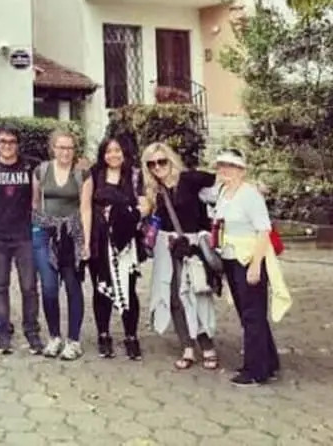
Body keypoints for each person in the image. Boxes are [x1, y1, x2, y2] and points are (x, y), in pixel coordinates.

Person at [141, 141, 221, 371]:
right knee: (174, 297)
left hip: (192, 244)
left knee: (197, 293)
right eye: (152, 164)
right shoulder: (153, 190)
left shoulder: (189, 179)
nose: (158, 167)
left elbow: (221, 182)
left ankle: (206, 344)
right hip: (167, 246)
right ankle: (187, 345)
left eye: (162, 161)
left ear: (171, 160)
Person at [213, 148, 290, 386]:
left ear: (242, 170)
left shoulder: (250, 196)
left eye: (231, 166)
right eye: (222, 165)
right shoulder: (223, 192)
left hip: (248, 257)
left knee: (252, 314)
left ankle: (255, 370)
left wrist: (256, 265)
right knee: (247, 312)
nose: (225, 170)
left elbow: (264, 230)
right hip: (230, 257)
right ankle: (268, 361)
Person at [0, 124, 42, 355]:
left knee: (29, 287)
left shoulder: (30, 166)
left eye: (12, 142)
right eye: (3, 141)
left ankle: (32, 333)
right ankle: (3, 334)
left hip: (24, 236)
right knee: (0, 287)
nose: (7, 146)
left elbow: (38, 197)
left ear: (18, 145)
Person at [32, 129, 90, 361]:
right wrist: (37, 228)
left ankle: (73, 340)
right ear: (53, 148)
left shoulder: (82, 174)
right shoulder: (41, 171)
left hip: (71, 234)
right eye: (61, 147)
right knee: (48, 286)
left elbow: (85, 209)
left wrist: (86, 241)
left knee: (72, 285)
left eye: (70, 148)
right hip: (45, 233)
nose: (66, 152)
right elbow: (35, 203)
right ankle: (54, 336)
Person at [87, 137, 143, 361]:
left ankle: (131, 336)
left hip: (126, 241)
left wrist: (134, 213)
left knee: (129, 288)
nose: (113, 155)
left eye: (117, 150)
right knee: (101, 288)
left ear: (124, 152)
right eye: (108, 151)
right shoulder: (94, 174)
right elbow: (85, 205)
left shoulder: (134, 175)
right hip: (99, 239)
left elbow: (144, 203)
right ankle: (103, 334)